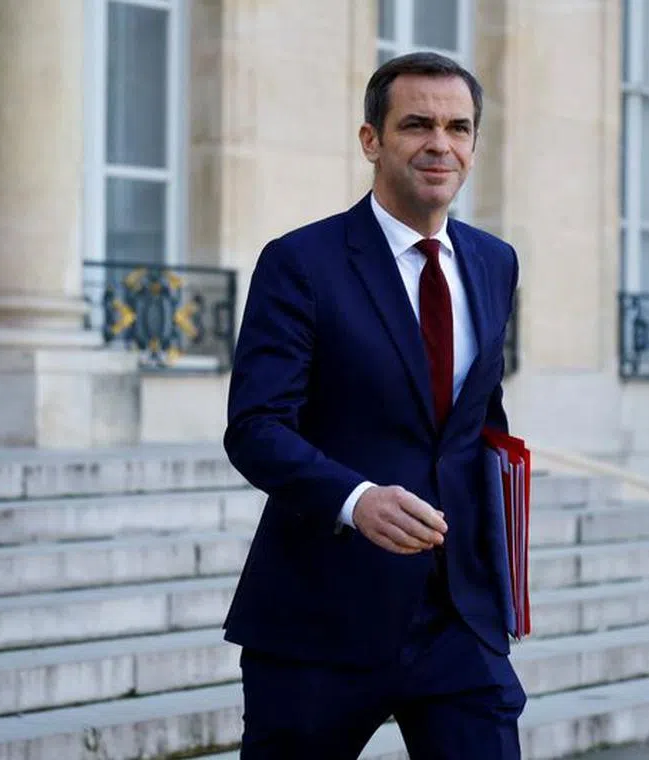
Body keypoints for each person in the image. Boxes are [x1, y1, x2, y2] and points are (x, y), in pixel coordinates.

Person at [222, 51, 526, 759]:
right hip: (324, 615)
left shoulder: (494, 262)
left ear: (474, 144)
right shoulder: (301, 262)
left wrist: (500, 573)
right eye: (417, 125)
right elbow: (256, 427)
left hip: (460, 621)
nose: (440, 144)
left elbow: (479, 420)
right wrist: (355, 500)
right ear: (371, 140)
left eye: (458, 127)